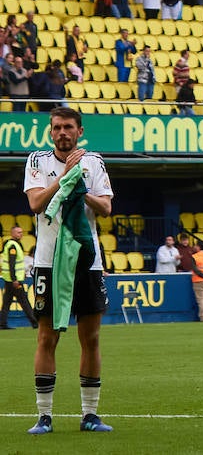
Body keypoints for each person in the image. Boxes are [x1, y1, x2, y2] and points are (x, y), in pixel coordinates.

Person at [23, 107, 115, 434]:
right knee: (47, 337)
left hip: (87, 262)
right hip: (49, 260)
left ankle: (90, 414)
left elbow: (105, 207)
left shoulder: (94, 162)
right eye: (57, 127)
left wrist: (82, 191)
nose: (62, 132)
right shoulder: (37, 161)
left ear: (79, 131)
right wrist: (64, 180)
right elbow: (35, 204)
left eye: (69, 127)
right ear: (51, 132)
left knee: (90, 337)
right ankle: (44, 416)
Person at [1, 225, 38, 330]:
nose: (21, 234)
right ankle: (35, 322)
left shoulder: (15, 244)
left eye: (21, 232)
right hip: (13, 280)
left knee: (7, 302)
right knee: (24, 301)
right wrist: (15, 279)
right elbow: (11, 263)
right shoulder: (13, 246)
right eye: (18, 232)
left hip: (10, 279)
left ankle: (2, 323)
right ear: (12, 233)